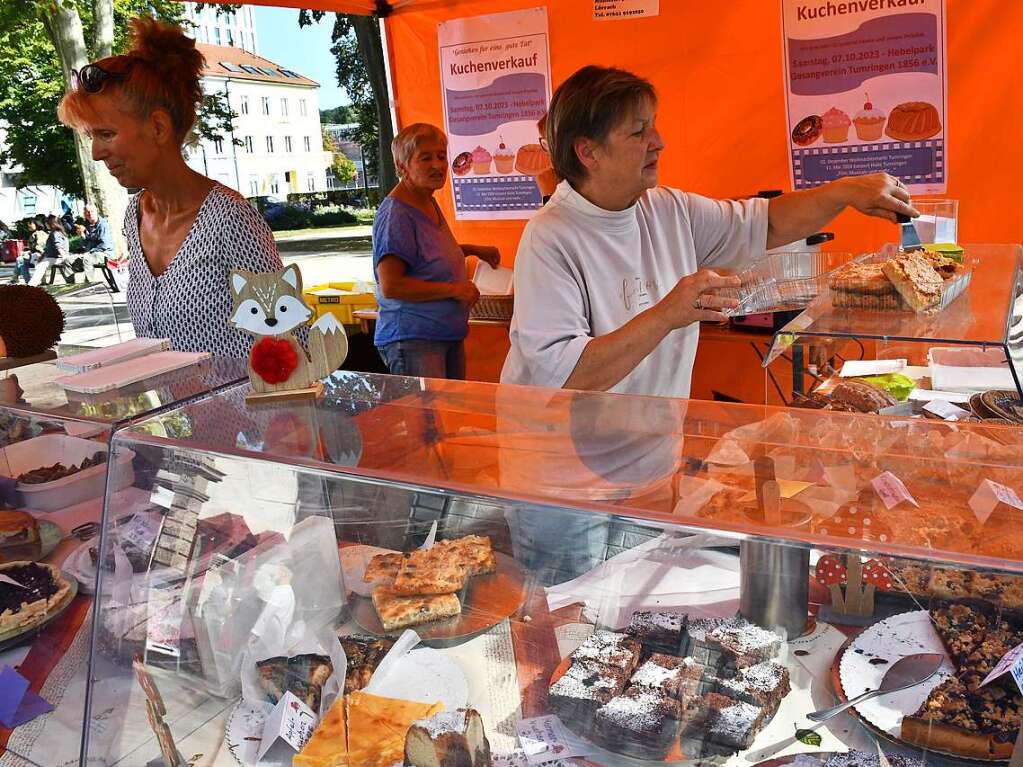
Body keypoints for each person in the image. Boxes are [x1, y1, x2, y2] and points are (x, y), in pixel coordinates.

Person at [502, 66, 918, 399]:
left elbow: (767, 222)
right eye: (638, 131)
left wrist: (842, 192)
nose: (659, 142)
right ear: (587, 151)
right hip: (564, 481)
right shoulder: (550, 238)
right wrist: (667, 314)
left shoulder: (666, 208)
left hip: (648, 458)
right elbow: (568, 376)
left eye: (654, 126)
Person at [57, 17, 285, 358]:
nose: (96, 152)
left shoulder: (230, 220)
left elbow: (291, 340)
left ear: (158, 127)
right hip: (172, 413)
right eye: (92, 137)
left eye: (105, 134)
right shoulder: (135, 215)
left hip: (247, 412)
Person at [372, 122, 501, 379]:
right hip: (415, 339)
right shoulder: (397, 214)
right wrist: (455, 289)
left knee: (448, 417)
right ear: (402, 166)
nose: (437, 165)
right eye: (425, 158)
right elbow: (392, 284)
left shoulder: (426, 200)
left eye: (441, 156)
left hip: (444, 334)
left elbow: (426, 257)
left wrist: (469, 250)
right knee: (428, 419)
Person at [81, 203, 119, 291]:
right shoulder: (85, 226)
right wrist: (82, 237)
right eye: (87, 212)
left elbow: (104, 244)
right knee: (68, 261)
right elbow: (85, 244)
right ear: (84, 214)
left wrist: (89, 252)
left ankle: (89, 287)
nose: (90, 214)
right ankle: (71, 287)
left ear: (96, 212)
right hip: (91, 254)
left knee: (87, 259)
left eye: (92, 211)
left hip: (105, 253)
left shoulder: (103, 224)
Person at [40, 215, 74, 285]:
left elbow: (58, 246)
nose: (46, 224)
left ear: (52, 223)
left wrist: (64, 257)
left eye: (47, 222)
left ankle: (38, 283)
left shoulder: (55, 233)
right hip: (57, 257)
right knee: (40, 261)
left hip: (56, 257)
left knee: (40, 265)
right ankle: (44, 281)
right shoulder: (61, 232)